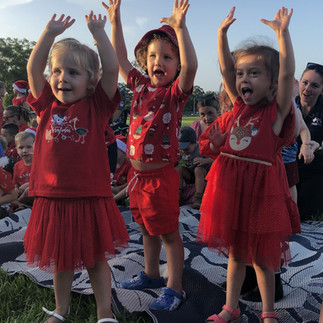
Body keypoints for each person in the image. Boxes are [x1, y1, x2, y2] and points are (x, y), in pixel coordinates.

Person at [24, 10, 129, 323]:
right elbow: (32, 69)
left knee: (97, 258)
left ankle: (104, 312)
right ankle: (61, 309)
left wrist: (99, 34)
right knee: (61, 260)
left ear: (91, 83)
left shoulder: (96, 106)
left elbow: (111, 69)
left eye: (73, 72)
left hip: (90, 195)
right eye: (57, 71)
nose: (61, 78)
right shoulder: (46, 105)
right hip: (53, 198)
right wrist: (48, 33)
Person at [197, 7, 301, 323]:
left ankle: (268, 311)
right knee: (235, 255)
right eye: (242, 73)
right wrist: (221, 35)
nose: (243, 78)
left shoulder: (275, 114)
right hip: (231, 193)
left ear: (272, 84)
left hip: (261, 195)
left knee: (262, 259)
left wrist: (283, 35)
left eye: (254, 73)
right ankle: (231, 307)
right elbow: (227, 71)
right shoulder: (237, 109)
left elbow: (286, 74)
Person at [106, 0, 197, 311]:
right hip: (136, 177)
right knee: (145, 228)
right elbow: (120, 58)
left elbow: (193, 67)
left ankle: (175, 288)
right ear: (146, 61)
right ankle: (152, 274)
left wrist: (181, 28)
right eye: (154, 55)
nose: (159, 61)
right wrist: (115, 20)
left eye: (168, 57)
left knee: (169, 234)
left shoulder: (175, 95)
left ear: (178, 65)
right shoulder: (140, 86)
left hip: (160, 179)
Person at [295, 62, 323, 221]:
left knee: (307, 214)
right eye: (305, 82)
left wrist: (318, 146)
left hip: (315, 167)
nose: (307, 89)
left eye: (314, 85)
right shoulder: (289, 105)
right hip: (286, 166)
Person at [177, 126, 211, 209]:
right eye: (181, 149)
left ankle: (198, 197)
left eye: (187, 149)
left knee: (198, 170)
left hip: (203, 175)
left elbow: (216, 159)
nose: (184, 151)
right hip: (190, 175)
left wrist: (205, 161)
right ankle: (179, 195)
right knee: (178, 169)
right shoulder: (181, 150)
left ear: (195, 143)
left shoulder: (201, 149)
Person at [12, 131, 35, 210]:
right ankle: (21, 205)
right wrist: (15, 189)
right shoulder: (17, 165)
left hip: (35, 193)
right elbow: (16, 183)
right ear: (16, 149)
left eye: (29, 147)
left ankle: (17, 204)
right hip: (22, 194)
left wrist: (29, 184)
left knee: (29, 190)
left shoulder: (40, 163)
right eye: (21, 148)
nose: (24, 151)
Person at [111, 136, 131, 205]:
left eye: (116, 149)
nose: (113, 152)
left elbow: (131, 182)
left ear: (123, 152)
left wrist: (118, 189)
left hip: (122, 190)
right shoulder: (109, 164)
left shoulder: (128, 166)